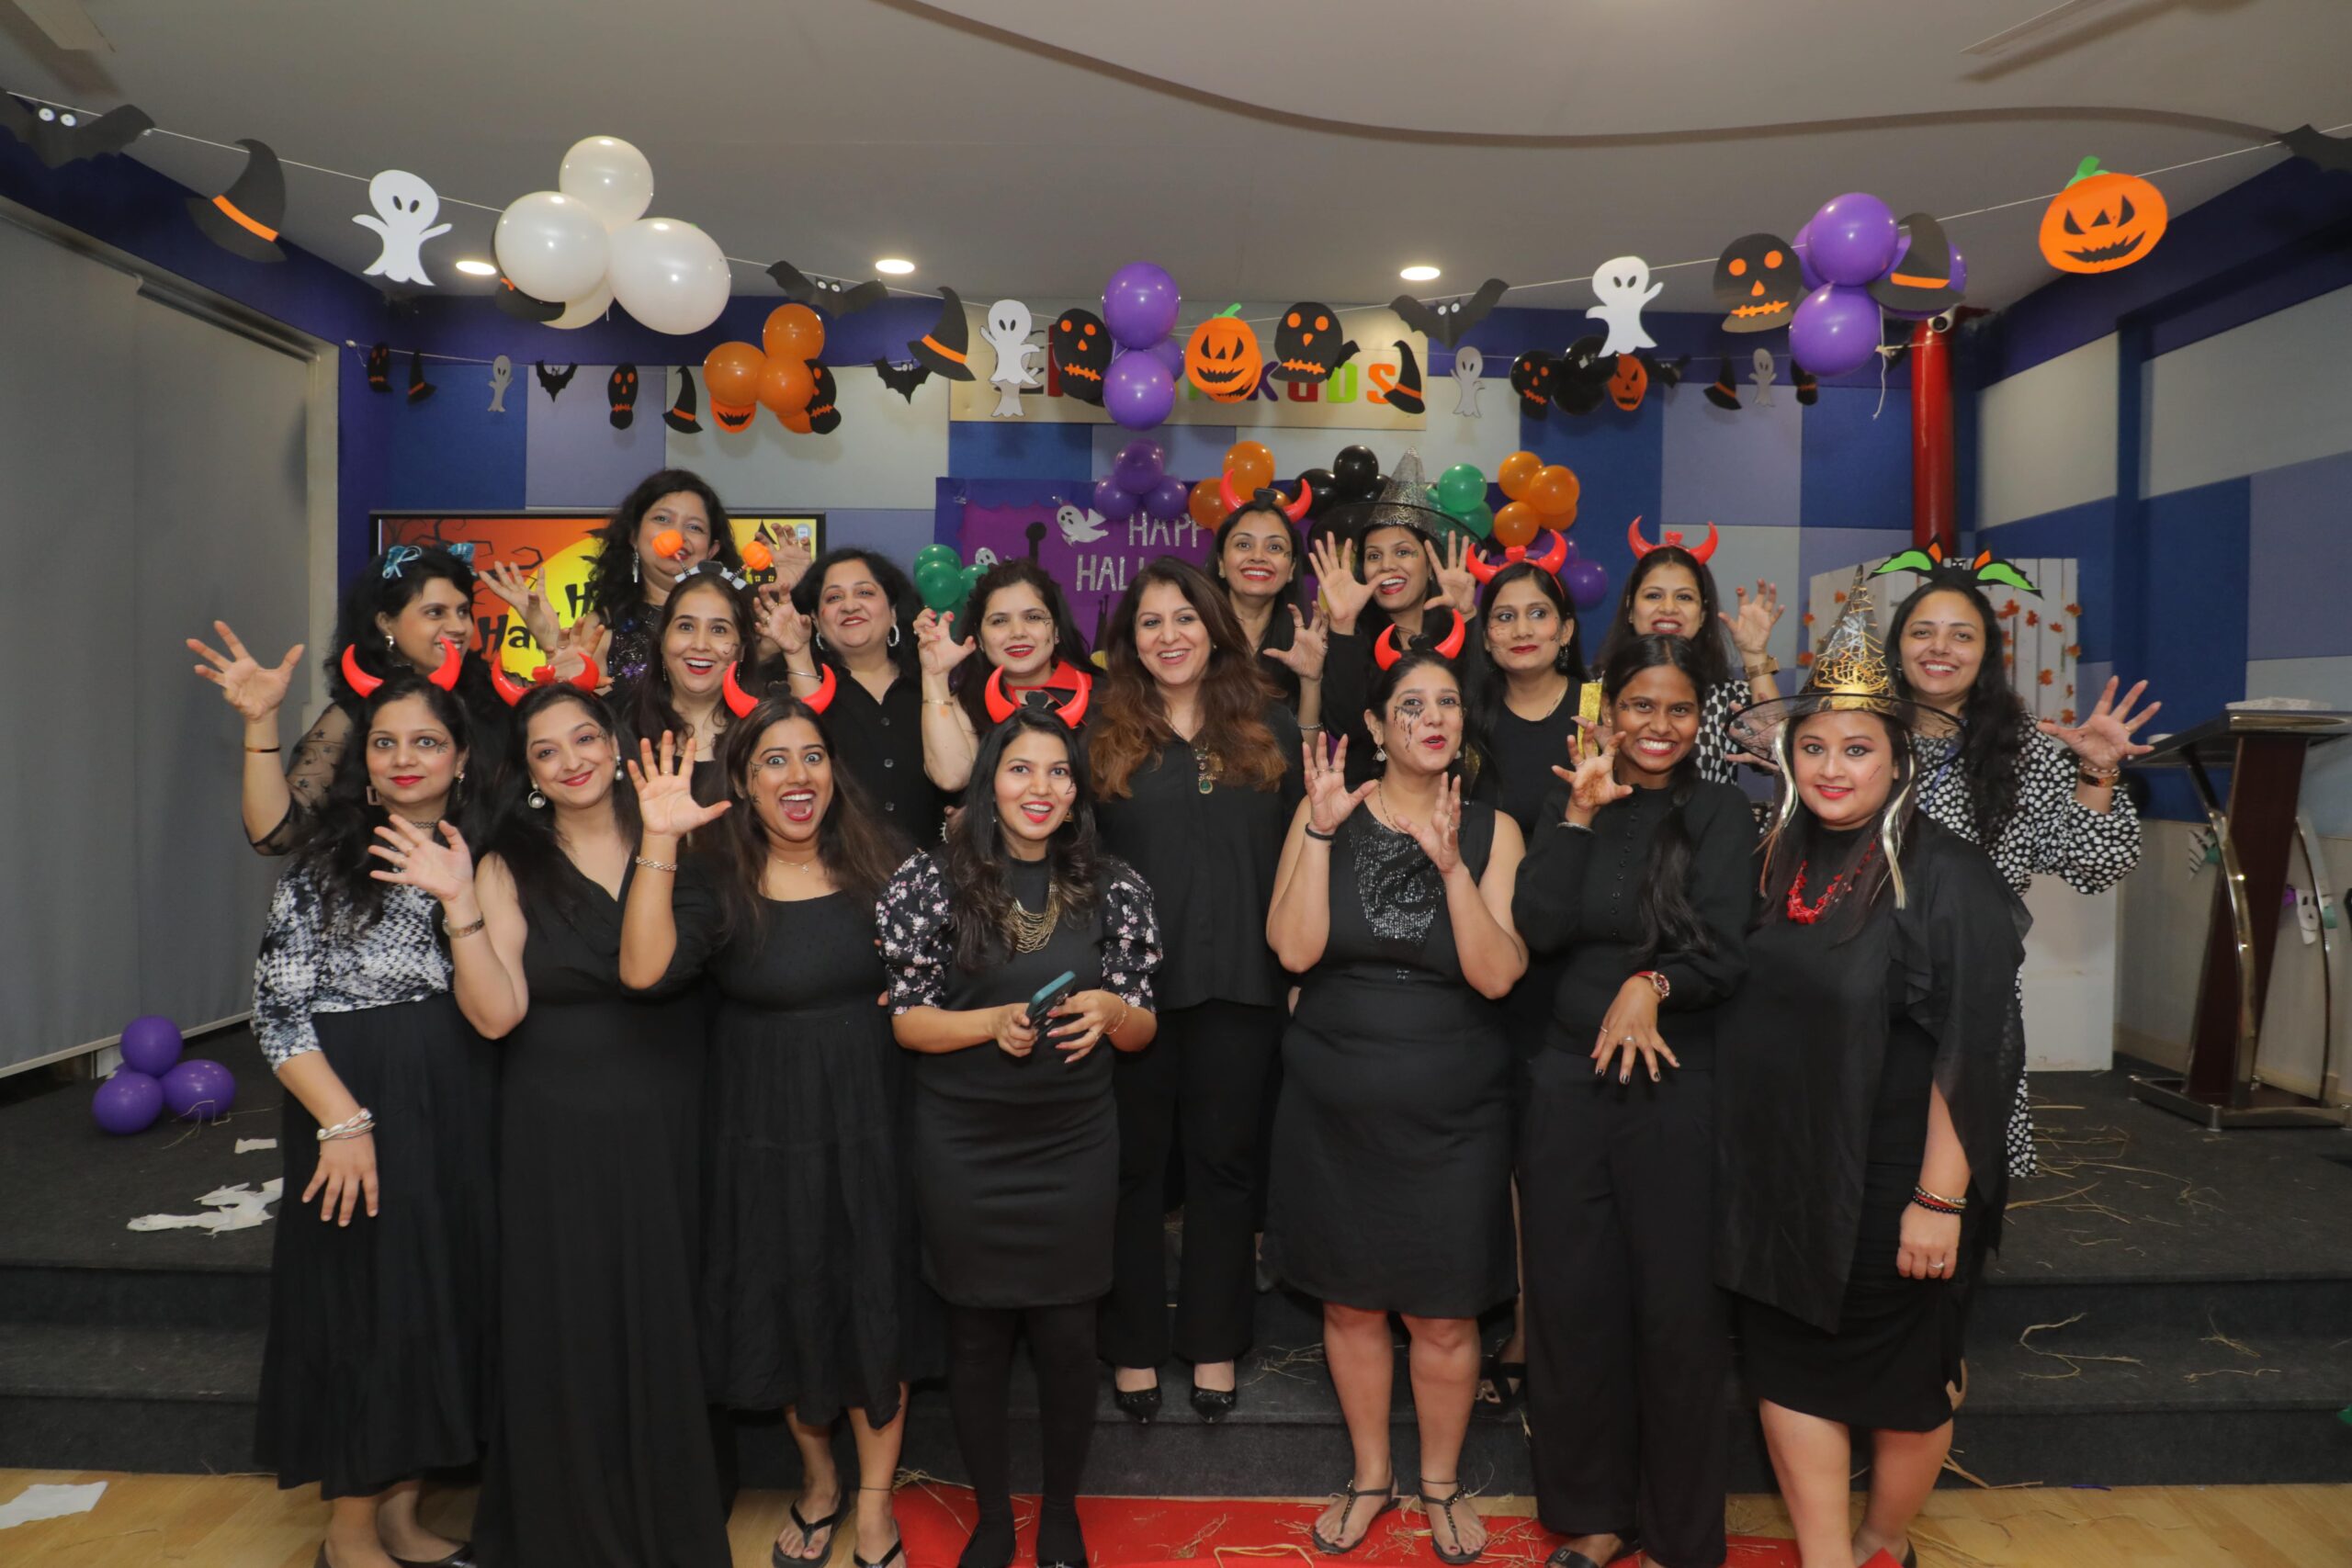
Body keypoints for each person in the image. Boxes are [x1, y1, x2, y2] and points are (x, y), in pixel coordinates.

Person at [372, 684, 729, 1568]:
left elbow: (662, 968)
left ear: (616, 743)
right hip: (555, 1126)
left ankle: (671, 1519)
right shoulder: (506, 864)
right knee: (569, 1320)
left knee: (666, 1313)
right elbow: (496, 1014)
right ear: (527, 772)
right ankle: (569, 1531)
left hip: (674, 1118)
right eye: (546, 750)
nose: (571, 760)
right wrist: (459, 906)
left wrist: (660, 840)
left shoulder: (683, 835)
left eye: (585, 738)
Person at [1718, 587, 2026, 1568]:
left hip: (1896, 1176)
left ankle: (1881, 1541)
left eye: (1856, 749)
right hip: (1783, 1172)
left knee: (1903, 1385)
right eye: (1813, 747)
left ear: (1898, 759)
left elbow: (1976, 1048)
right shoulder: (1768, 858)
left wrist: (1938, 1199)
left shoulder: (1948, 875)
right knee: (1787, 1367)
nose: (1831, 767)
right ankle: (1824, 1557)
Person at [619, 694, 929, 1568]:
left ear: (835, 772)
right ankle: (820, 1480)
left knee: (873, 1302)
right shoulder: (715, 876)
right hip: (764, 1129)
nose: (798, 775)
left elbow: (955, 956)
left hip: (874, 1119)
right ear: (745, 785)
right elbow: (641, 970)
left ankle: (875, 1505)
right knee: (792, 1301)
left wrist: (921, 984)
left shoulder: (887, 861)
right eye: (774, 761)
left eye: (813, 756)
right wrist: (659, 841)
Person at [879, 709, 1161, 1568]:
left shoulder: (1116, 885)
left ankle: (1062, 1513)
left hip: (1074, 1144)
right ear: (989, 784)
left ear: (1076, 791)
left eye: (1058, 772)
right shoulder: (928, 880)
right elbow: (907, 1021)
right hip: (965, 1145)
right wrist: (990, 1022)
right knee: (976, 1339)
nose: (1040, 788)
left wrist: (1114, 1010)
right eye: (1020, 769)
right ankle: (996, 1517)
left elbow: (1144, 1026)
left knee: (1071, 1339)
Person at [1265, 650, 1526, 1565]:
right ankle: (1372, 1476)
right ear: (1375, 727)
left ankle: (1440, 1483)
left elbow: (1497, 974)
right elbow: (1294, 951)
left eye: (1446, 701)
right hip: (1333, 1104)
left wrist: (1452, 868)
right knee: (1349, 1305)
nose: (1433, 717)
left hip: (1454, 1111)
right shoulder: (1324, 809)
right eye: (1410, 704)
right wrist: (1320, 831)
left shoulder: (1493, 830)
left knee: (1446, 1315)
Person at [1510, 636, 1754, 1568]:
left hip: (1674, 1084)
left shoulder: (1721, 810)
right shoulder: (1571, 798)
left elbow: (1726, 949)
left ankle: (1679, 1535)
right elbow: (1539, 926)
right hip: (1568, 1081)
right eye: (1640, 705)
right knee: (1573, 1303)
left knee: (1676, 1313)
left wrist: (1653, 981)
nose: (1659, 725)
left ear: (1701, 719)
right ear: (1608, 710)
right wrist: (1576, 816)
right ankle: (1594, 1514)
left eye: (1678, 708)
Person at [249, 674, 495, 1568]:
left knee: (431, 1299)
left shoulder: (482, 857)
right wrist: (344, 1123)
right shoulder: (323, 864)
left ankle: (400, 1517)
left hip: (452, 1091)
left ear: (460, 760)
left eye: (426, 741)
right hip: (350, 1097)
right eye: (385, 743)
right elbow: (277, 1013)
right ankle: (350, 1536)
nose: (403, 759)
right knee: (364, 1308)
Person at [1087, 560, 1303, 1424]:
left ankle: (1214, 1340)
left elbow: (1303, 851)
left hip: (1243, 984)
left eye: (1184, 617)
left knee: (1225, 1168)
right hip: (1128, 992)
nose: (1169, 635)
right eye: (1150, 621)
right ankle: (1133, 1344)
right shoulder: (1101, 733)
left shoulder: (1269, 726)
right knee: (1132, 1170)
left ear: (1215, 629)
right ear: (1129, 640)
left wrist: (1302, 972)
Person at [1876, 552, 2154, 1179]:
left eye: (1962, 635)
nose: (1940, 647)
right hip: (1861, 975)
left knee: (1961, 1170)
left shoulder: (2024, 747)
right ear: (1897, 647)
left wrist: (2097, 771)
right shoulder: (1860, 735)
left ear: (1986, 654)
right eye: (1922, 631)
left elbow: (2093, 864)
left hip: (1972, 986)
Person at [193, 544, 505, 855]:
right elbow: (277, 836)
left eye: (463, 611)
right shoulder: (353, 714)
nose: (458, 627)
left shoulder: (493, 701)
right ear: (386, 623)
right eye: (435, 612)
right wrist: (261, 721)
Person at [482, 468, 749, 687]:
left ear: (712, 550)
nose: (677, 536)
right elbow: (583, 717)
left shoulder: (745, 620)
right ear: (633, 536)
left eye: (694, 527)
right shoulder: (601, 628)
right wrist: (550, 642)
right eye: (662, 519)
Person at [1310, 456, 1484, 785]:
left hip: (1454, 795)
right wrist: (1343, 624)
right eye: (1374, 556)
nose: (1387, 565)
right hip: (1369, 796)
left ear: (1430, 566)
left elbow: (1484, 711)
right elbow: (1346, 726)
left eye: (1403, 552)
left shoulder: (1460, 629)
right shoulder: (1352, 639)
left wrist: (1467, 618)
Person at [780, 548, 947, 842]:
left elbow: (955, 779)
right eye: (834, 598)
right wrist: (797, 652)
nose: (849, 606)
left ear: (893, 611)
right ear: (816, 621)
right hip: (834, 863)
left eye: (865, 593)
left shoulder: (930, 684)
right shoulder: (796, 687)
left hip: (928, 864)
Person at [1594, 536, 1784, 786]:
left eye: (1684, 597)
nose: (1668, 608)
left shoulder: (1730, 697)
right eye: (1653, 595)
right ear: (1630, 608)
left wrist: (1754, 654)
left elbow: (1779, 754)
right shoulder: (1594, 692)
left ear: (1703, 613)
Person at [917, 558, 1095, 792]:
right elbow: (951, 778)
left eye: (1033, 617)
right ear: (980, 638)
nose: (1017, 632)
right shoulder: (966, 704)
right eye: (999, 621)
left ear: (1056, 630)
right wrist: (935, 675)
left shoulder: (1107, 698)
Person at [616, 562, 761, 804]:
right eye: (686, 626)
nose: (700, 644)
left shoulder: (765, 729)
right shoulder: (620, 724)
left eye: (719, 629)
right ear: (662, 640)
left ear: (742, 650)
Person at [1205, 483, 1329, 724]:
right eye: (1244, 544)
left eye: (1275, 547)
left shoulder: (1304, 645)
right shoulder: (1193, 636)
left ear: (1291, 568)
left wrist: (1310, 681)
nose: (1258, 557)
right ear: (1221, 562)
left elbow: (1306, 747)